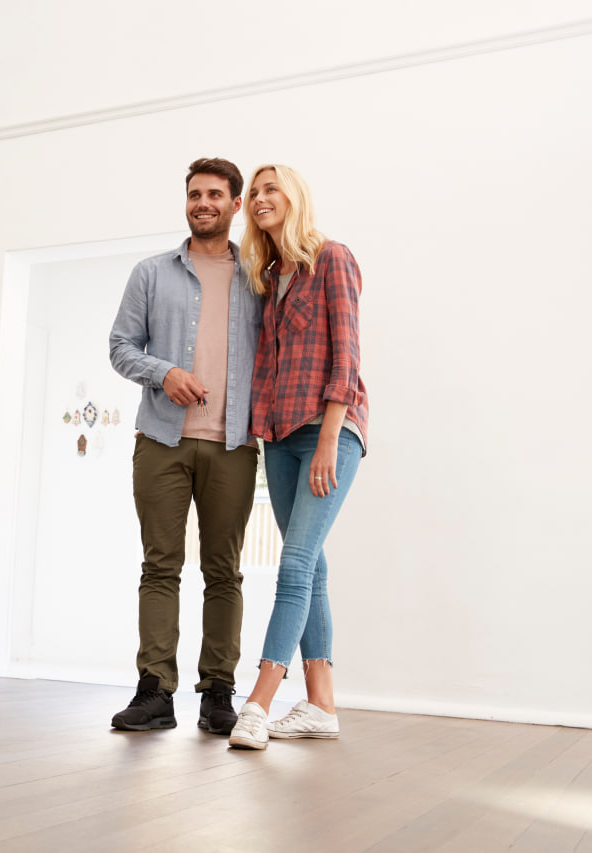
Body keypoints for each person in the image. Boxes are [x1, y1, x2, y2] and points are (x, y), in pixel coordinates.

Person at [108, 158, 263, 735]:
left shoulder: (259, 277)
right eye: (195, 194)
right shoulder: (152, 273)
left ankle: (218, 692)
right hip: (162, 442)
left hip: (234, 444)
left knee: (223, 571)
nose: (203, 203)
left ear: (235, 205)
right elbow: (121, 346)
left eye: (215, 194)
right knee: (160, 567)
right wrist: (164, 372)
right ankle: (155, 691)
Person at [227, 164, 368, 750]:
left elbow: (347, 355)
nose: (260, 199)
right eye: (254, 193)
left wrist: (332, 437)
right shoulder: (269, 277)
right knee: (312, 568)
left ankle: (259, 702)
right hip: (280, 437)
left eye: (270, 189)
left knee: (295, 564)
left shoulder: (331, 258)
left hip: (328, 431)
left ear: (294, 197)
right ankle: (322, 706)